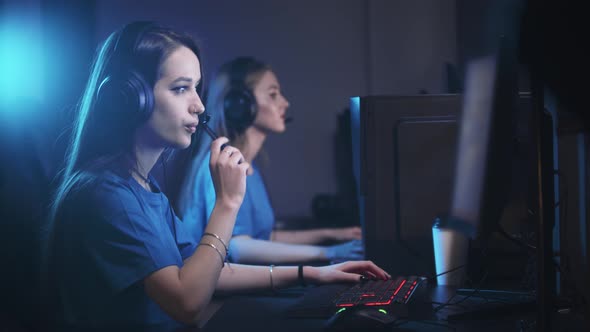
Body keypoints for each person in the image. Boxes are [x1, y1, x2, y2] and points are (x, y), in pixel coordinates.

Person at [43, 21, 389, 329]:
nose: (200, 105)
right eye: (181, 88)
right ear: (130, 98)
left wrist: (314, 274)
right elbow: (188, 303)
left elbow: (207, 271)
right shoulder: (107, 195)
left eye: (197, 88)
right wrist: (228, 203)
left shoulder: (144, 189)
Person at [173, 56, 363, 265]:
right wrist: (329, 254)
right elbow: (238, 247)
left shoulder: (247, 164)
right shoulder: (222, 165)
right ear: (239, 104)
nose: (285, 103)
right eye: (273, 95)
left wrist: (331, 234)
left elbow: (263, 237)